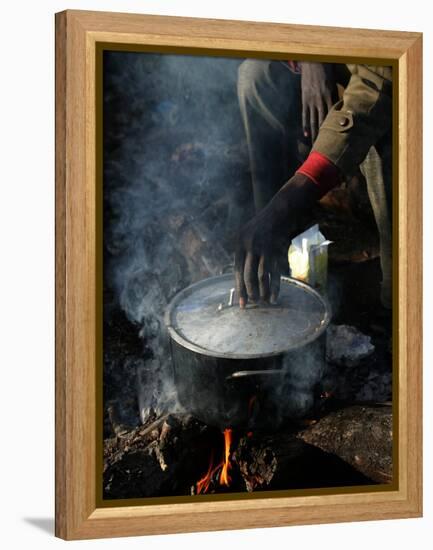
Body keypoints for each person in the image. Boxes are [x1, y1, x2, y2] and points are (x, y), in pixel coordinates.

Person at [235, 60, 393, 308]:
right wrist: (310, 57)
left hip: (386, 79)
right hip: (335, 60)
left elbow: (378, 84)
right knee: (255, 76)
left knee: (392, 125)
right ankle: (270, 251)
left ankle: (397, 295)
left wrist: (291, 199)